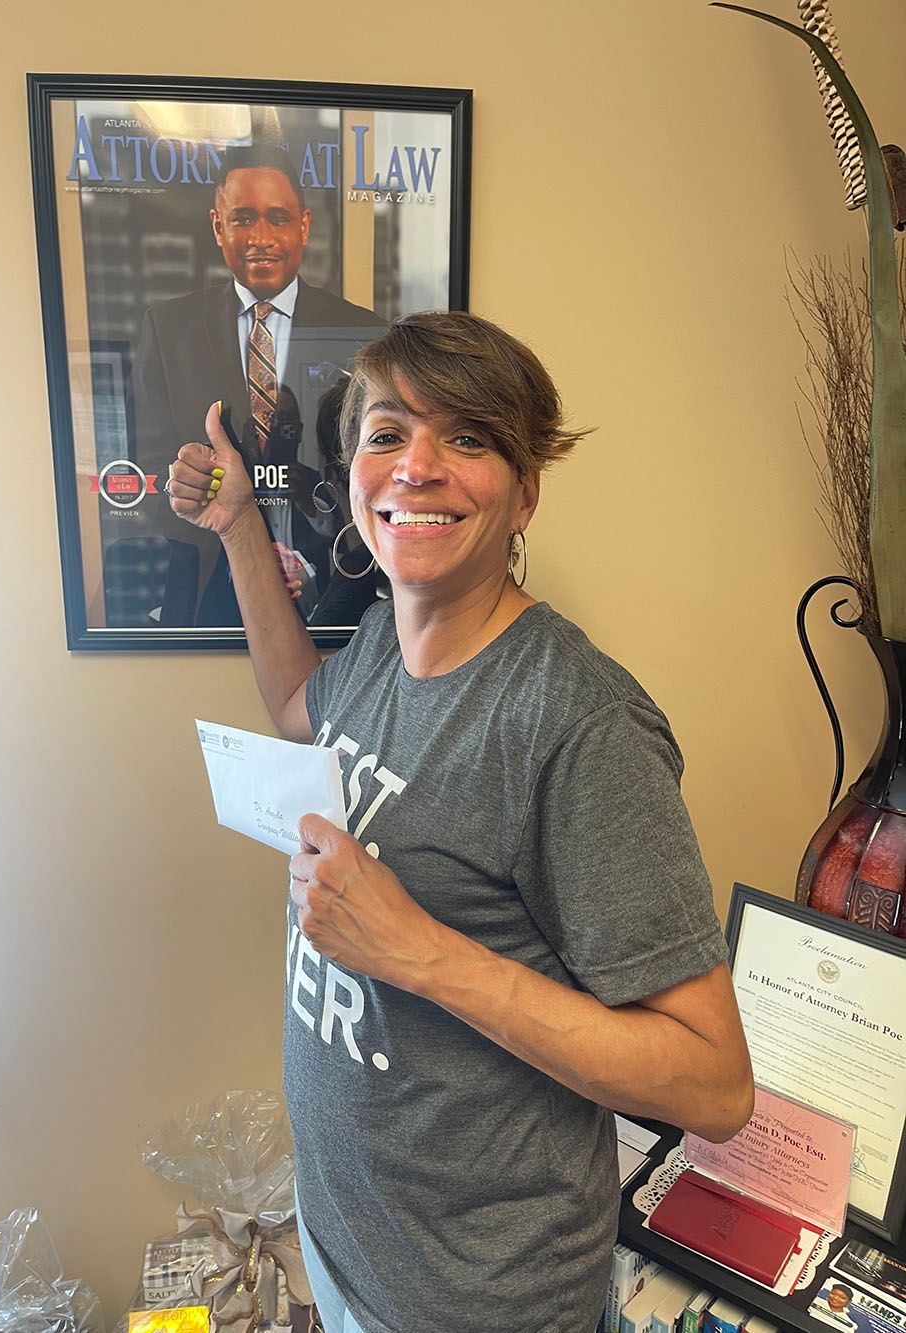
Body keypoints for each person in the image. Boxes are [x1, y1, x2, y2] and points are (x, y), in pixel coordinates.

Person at [166, 312, 755, 1332]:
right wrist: (237, 530)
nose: (418, 465)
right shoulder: (381, 653)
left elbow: (712, 1086)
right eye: (387, 433)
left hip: (480, 1302)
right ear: (353, 469)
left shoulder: (575, 723)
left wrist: (419, 951)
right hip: (349, 1250)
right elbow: (299, 705)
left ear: (526, 489)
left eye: (469, 437)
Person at [132, 143, 386, 624]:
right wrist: (242, 548)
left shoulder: (365, 334)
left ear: (304, 226)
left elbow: (373, 474)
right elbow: (149, 468)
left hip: (332, 598)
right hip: (207, 592)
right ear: (217, 226)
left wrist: (310, 561)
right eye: (244, 218)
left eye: (278, 218)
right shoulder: (168, 328)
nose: (261, 237)